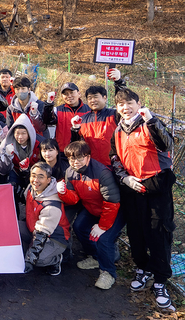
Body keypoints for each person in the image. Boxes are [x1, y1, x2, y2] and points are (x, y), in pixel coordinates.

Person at [110, 88, 176, 311]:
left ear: (138, 104)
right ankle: (142, 267)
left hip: (156, 187)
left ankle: (160, 281)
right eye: (120, 104)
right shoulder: (118, 130)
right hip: (132, 188)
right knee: (136, 232)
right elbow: (114, 157)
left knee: (159, 233)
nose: (125, 108)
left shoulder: (149, 123)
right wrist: (124, 177)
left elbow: (167, 144)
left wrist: (153, 121)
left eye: (129, 103)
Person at [57, 141, 124, 290]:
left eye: (80, 157)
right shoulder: (70, 172)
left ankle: (108, 273)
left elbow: (112, 202)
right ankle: (95, 257)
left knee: (104, 238)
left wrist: (102, 226)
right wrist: (63, 192)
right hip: (92, 208)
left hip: (114, 211)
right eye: (71, 158)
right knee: (79, 227)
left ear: (88, 157)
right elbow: (74, 199)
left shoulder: (102, 173)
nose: (75, 162)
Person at [21, 162, 71, 276]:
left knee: (38, 260)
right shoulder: (31, 188)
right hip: (32, 228)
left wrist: (30, 259)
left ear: (49, 180)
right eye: (33, 175)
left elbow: (41, 234)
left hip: (54, 238)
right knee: (12, 228)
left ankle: (56, 259)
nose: (35, 180)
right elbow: (23, 198)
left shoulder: (52, 205)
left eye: (40, 176)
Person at [71, 69, 126, 167]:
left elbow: (123, 100)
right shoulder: (82, 120)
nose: (93, 100)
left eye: (96, 97)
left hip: (115, 166)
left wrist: (119, 82)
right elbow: (76, 145)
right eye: (89, 98)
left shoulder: (115, 115)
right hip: (91, 166)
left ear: (105, 98)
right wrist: (75, 129)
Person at [0, 114, 42, 204]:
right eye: (17, 133)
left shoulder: (39, 143)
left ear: (29, 133)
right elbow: (1, 169)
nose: (20, 137)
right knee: (11, 188)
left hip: (34, 172)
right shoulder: (7, 143)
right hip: (15, 171)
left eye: (23, 133)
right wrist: (7, 156)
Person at [42, 82, 91, 151]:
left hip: (83, 152)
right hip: (62, 151)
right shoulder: (58, 110)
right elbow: (47, 120)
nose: (69, 96)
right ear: (62, 96)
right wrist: (49, 104)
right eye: (65, 94)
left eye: (71, 92)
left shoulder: (89, 110)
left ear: (79, 94)